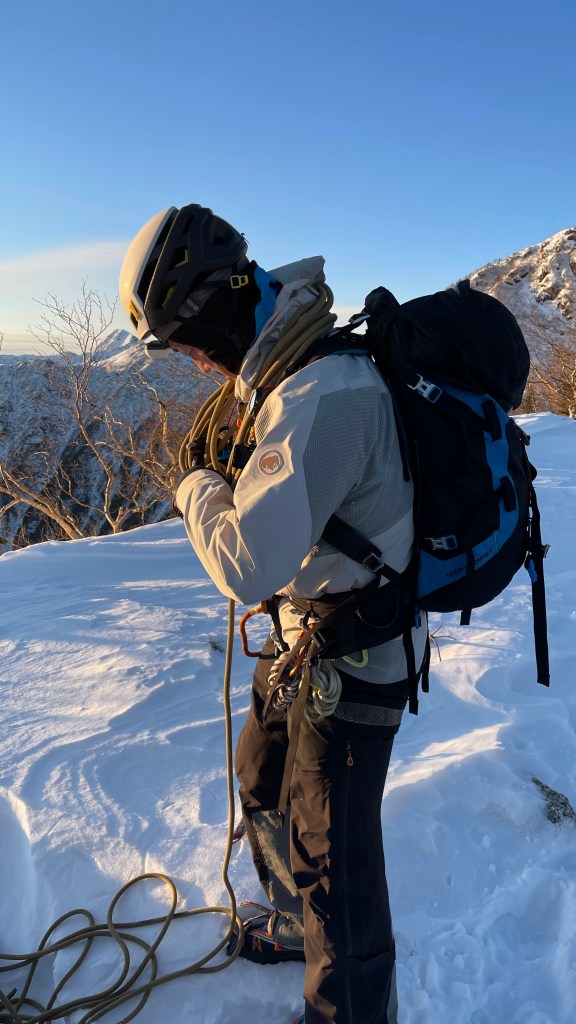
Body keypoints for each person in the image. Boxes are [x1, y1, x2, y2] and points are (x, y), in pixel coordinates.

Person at [119, 203, 428, 1024]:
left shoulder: (322, 391)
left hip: (358, 654)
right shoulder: (288, 368)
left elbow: (245, 563)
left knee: (336, 864)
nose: (194, 362)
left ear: (214, 312)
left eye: (189, 343)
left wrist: (196, 485)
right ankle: (294, 925)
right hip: (310, 637)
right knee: (261, 777)